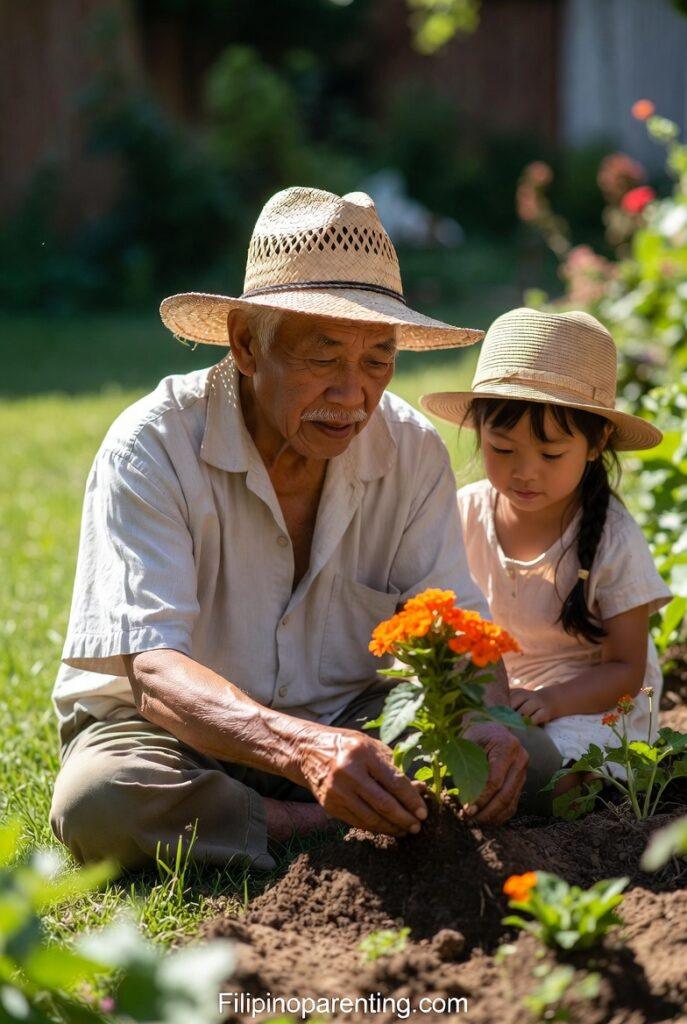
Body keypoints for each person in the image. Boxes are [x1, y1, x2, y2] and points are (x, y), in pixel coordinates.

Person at [49, 189, 559, 871]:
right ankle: (304, 820)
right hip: (177, 736)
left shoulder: (409, 449)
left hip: (348, 721)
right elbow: (154, 673)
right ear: (246, 345)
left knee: (532, 761)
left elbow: (457, 625)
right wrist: (304, 753)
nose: (353, 395)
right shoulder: (152, 446)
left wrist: (485, 721)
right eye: (323, 358)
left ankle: (319, 810)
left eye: (377, 360)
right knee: (100, 800)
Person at [421, 308, 672, 778]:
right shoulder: (465, 513)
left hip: (589, 702)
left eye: (551, 453)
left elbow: (626, 670)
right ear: (478, 430)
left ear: (596, 444)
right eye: (502, 448)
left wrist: (551, 701)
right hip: (498, 694)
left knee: (543, 772)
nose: (524, 472)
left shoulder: (612, 537)